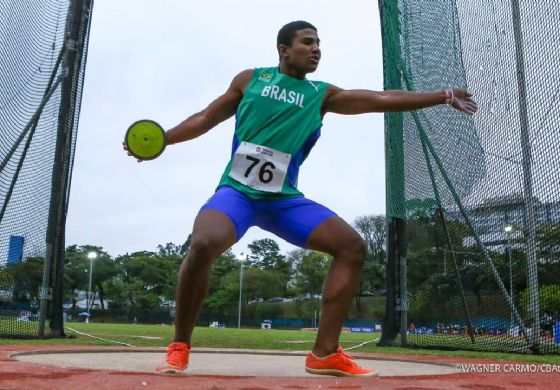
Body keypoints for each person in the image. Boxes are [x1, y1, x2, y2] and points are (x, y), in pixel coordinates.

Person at [124, 21, 478, 377]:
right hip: (238, 193)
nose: (316, 49)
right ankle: (179, 347)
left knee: (352, 246)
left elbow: (379, 98)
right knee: (203, 243)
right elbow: (205, 118)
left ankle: (324, 354)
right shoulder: (250, 80)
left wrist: (443, 95)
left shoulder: (321, 95)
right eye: (307, 42)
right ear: (283, 49)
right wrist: (164, 139)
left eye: (318, 44)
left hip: (283, 200)